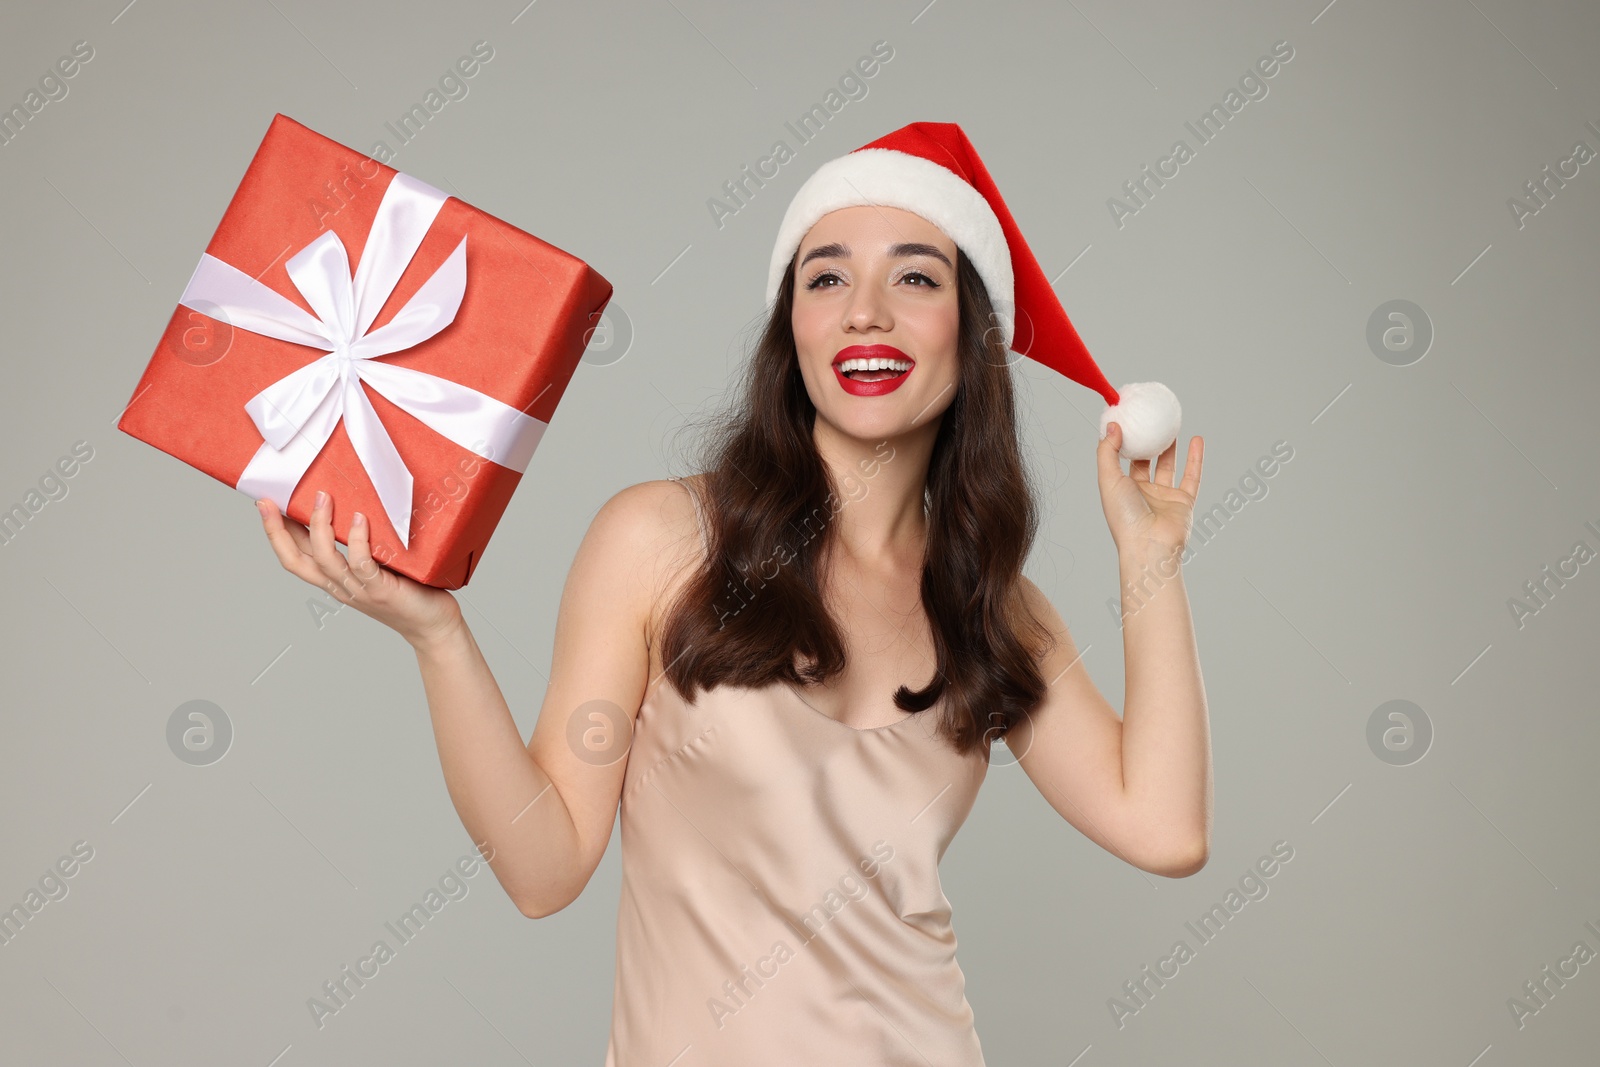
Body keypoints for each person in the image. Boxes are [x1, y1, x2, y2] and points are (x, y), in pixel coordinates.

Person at [253, 121, 1211, 1065]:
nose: (863, 310)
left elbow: (1166, 830)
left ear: (973, 332)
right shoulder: (662, 540)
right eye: (825, 275)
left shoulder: (993, 604)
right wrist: (438, 637)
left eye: (914, 277)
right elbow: (544, 869)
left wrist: (1148, 556)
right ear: (789, 323)